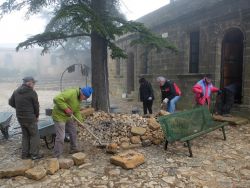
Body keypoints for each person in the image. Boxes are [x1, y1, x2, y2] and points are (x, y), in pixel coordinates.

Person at [52, 86, 93, 158]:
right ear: (82, 93)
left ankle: (73, 148)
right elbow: (56, 99)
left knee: (73, 131)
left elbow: (76, 111)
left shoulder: (79, 99)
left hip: (68, 116)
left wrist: (80, 122)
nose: (84, 99)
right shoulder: (71, 93)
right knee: (61, 136)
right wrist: (66, 108)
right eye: (85, 98)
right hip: (59, 116)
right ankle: (57, 155)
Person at [9, 76, 43, 160]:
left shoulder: (16, 91)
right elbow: (36, 106)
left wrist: (19, 108)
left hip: (20, 117)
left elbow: (10, 102)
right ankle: (34, 155)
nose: (34, 85)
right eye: (33, 83)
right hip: (30, 118)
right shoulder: (32, 92)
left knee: (25, 135)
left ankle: (24, 154)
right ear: (29, 83)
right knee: (34, 135)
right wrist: (37, 115)